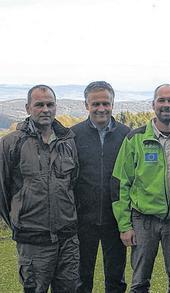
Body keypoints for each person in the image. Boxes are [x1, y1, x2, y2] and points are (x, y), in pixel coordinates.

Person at [112, 84, 170, 292]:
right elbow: (120, 183)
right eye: (162, 100)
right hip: (144, 220)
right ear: (153, 104)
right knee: (140, 282)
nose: (166, 105)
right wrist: (125, 225)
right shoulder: (135, 138)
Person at [0, 84, 80, 292]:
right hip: (33, 241)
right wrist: (18, 222)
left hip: (67, 239)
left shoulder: (68, 141)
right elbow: (2, 191)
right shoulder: (11, 144)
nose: (45, 109)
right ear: (28, 108)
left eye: (50, 104)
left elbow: (73, 183)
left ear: (56, 107)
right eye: (39, 105)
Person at [72, 81, 130, 293]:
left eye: (106, 103)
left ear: (113, 104)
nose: (101, 109)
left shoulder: (127, 135)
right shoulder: (73, 135)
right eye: (95, 104)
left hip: (115, 218)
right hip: (81, 219)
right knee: (80, 278)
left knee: (116, 279)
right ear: (86, 105)